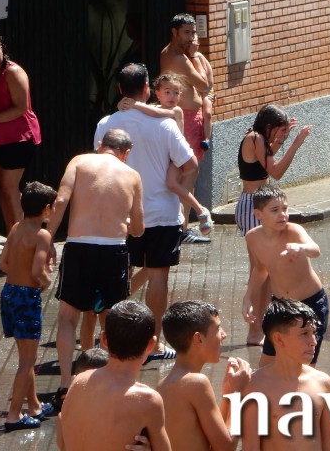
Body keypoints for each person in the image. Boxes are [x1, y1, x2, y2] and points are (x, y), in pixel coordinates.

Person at [94, 63, 196, 361]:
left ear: (119, 89)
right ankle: (154, 343)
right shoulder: (164, 124)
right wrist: (176, 183)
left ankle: (114, 339)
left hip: (122, 213)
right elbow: (190, 163)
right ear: (147, 89)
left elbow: (100, 166)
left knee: (119, 275)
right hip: (163, 212)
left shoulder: (106, 124)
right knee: (159, 275)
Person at [48, 128, 145, 409]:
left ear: (100, 145)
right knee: (112, 320)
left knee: (68, 318)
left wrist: (47, 239)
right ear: (126, 153)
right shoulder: (132, 175)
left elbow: (61, 200)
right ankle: (113, 382)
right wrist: (126, 224)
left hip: (79, 246)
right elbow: (139, 228)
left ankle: (66, 384)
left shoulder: (79, 162)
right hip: (114, 249)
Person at [235, 103, 311, 345]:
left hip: (258, 205)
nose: (282, 135)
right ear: (268, 126)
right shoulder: (255, 138)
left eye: (285, 131)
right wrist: (295, 144)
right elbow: (275, 171)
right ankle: (255, 330)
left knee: (265, 270)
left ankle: (261, 326)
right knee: (259, 270)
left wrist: (280, 140)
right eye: (279, 130)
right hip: (254, 207)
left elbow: (266, 162)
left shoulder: (258, 139)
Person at [57, 301, 171, 451]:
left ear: (104, 339)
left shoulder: (78, 381)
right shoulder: (148, 400)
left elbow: (63, 444)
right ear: (151, 344)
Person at [242, 185, 329, 367]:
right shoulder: (252, 238)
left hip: (311, 303)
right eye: (275, 210)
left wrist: (301, 248)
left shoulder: (294, 231)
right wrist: (248, 298)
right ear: (258, 214)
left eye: (285, 209)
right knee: (267, 363)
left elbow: (315, 250)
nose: (282, 214)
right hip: (282, 306)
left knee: (306, 363)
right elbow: (259, 269)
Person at [240, 298, 330, 451]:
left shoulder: (322, 382)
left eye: (314, 333)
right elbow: (250, 447)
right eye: (304, 333)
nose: (313, 341)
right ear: (279, 339)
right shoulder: (254, 386)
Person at [118, 73, 213, 234]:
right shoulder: (153, 107)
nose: (172, 96)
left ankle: (200, 210)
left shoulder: (176, 110)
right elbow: (150, 111)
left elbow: (155, 114)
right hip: (166, 157)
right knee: (170, 188)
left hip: (177, 158)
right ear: (157, 94)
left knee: (171, 184)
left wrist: (134, 104)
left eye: (176, 93)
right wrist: (123, 104)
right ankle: (185, 216)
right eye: (167, 92)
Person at [0, 181, 57, 431]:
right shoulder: (42, 234)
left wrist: (19, 275)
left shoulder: (16, 227)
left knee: (26, 356)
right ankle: (14, 415)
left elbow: (3, 263)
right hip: (26, 297)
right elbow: (37, 270)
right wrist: (47, 282)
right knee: (27, 360)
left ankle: (34, 406)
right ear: (46, 208)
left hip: (9, 294)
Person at [158, 300, 251, 451]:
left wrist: (228, 393)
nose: (224, 334)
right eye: (218, 328)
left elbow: (214, 443)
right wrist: (238, 393)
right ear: (199, 339)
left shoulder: (163, 385)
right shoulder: (196, 383)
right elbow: (226, 447)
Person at [0, 33, 41, 233]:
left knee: (9, 187)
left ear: (2, 48)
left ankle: (23, 238)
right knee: (3, 189)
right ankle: (13, 235)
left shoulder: (13, 71)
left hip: (19, 137)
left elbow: (21, 107)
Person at [159, 13, 212, 244]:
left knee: (186, 174)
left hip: (189, 118)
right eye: (186, 33)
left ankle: (181, 227)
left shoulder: (169, 52)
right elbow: (204, 84)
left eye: (193, 33)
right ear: (175, 32)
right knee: (188, 175)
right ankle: (182, 229)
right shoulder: (180, 58)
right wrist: (197, 56)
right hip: (188, 121)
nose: (191, 38)